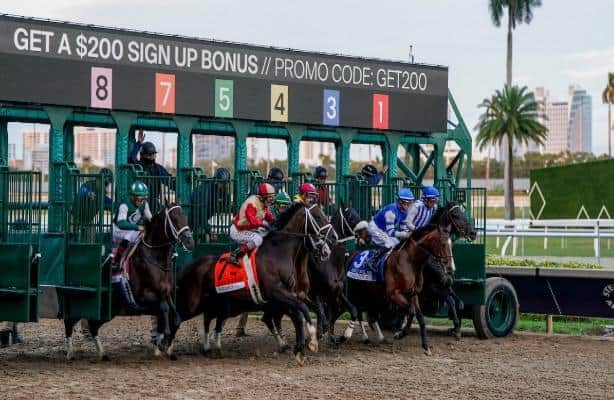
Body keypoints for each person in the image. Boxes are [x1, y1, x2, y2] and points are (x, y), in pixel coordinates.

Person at [364, 188, 415, 270]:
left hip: (384, 230)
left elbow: (403, 228)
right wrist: (406, 234)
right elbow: (391, 232)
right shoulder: (391, 211)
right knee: (389, 244)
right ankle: (372, 261)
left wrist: (407, 235)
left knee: (398, 244)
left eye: (409, 203)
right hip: (375, 228)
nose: (408, 205)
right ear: (400, 202)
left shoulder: (405, 212)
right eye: (406, 203)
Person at [228, 183, 276, 264]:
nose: (272, 199)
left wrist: (277, 224)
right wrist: (263, 224)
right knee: (258, 239)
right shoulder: (252, 203)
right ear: (262, 197)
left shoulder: (263, 205)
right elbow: (252, 220)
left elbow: (270, 218)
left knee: (267, 232)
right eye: (270, 197)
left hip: (247, 229)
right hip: (237, 230)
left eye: (272, 197)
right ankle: (235, 254)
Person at [128, 130, 174, 209]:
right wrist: (139, 143)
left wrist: (177, 184)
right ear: (143, 155)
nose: (152, 156)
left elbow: (169, 182)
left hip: (154, 203)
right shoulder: (138, 166)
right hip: (140, 202)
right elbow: (131, 158)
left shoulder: (159, 168)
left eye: (153, 154)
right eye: (150, 154)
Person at [111, 181, 152, 268]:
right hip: (118, 230)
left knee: (143, 235)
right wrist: (137, 227)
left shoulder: (145, 204)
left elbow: (150, 219)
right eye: (139, 198)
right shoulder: (124, 205)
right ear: (132, 197)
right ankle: (117, 260)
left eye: (144, 198)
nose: (142, 201)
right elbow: (121, 223)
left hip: (131, 230)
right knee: (133, 234)